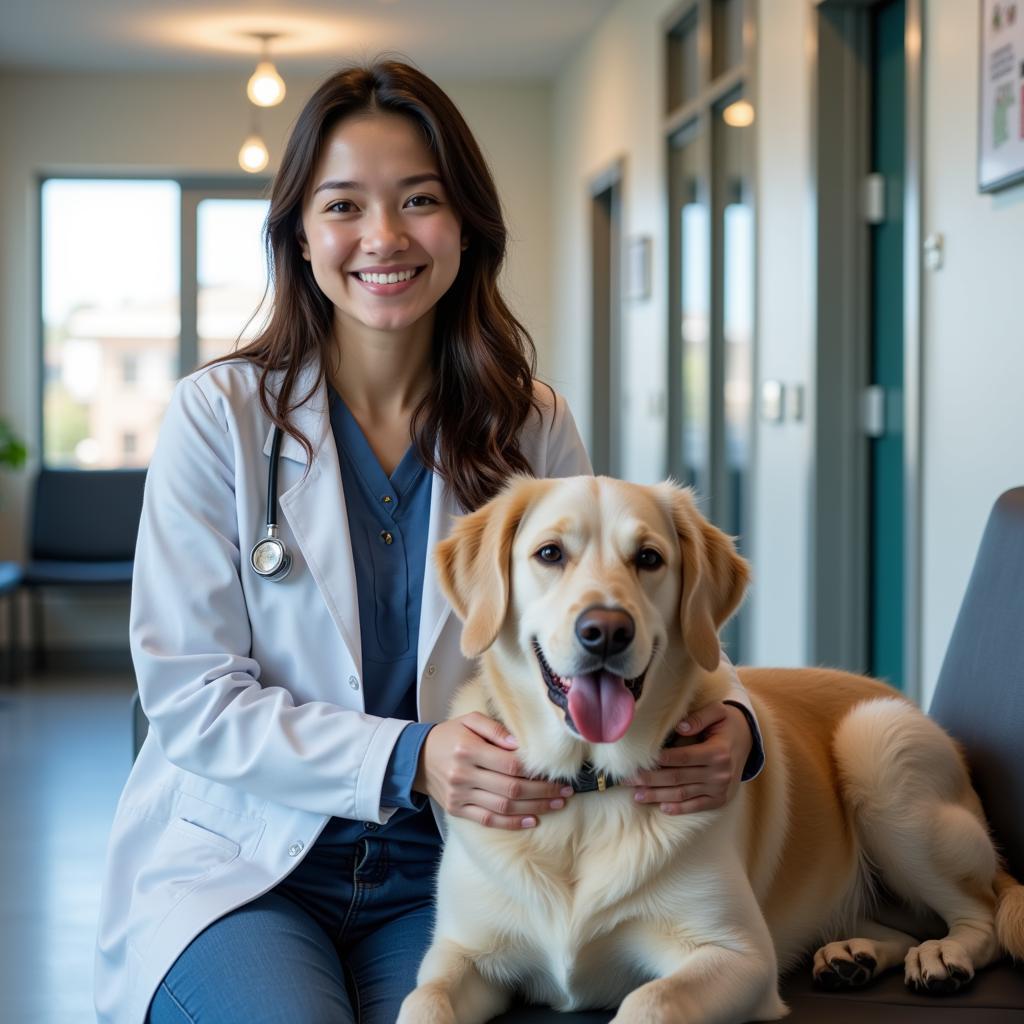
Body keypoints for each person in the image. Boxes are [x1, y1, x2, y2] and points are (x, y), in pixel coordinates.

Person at [94, 59, 765, 1024]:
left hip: (469, 863)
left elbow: (624, 609)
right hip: (243, 864)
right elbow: (191, 696)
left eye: (419, 199)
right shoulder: (220, 418)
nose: (384, 237)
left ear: (467, 227)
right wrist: (410, 757)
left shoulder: (530, 425)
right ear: (298, 233)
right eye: (342, 205)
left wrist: (736, 726)